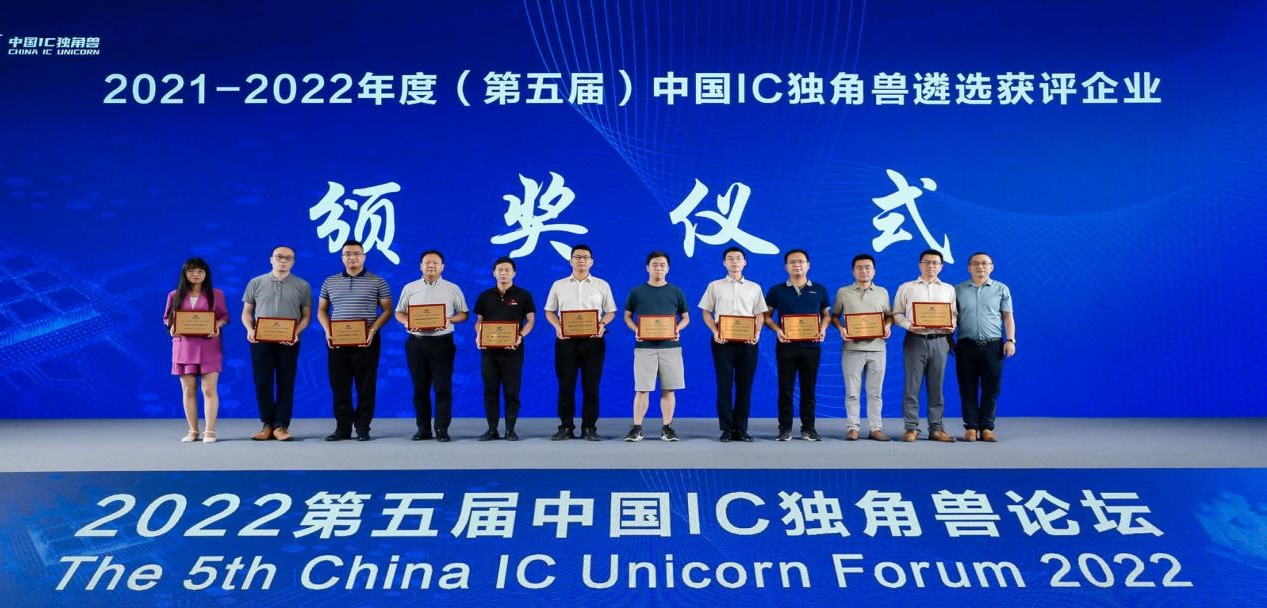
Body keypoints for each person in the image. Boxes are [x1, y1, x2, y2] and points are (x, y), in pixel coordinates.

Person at [317, 240, 393, 442]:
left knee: (366, 386)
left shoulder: (378, 281)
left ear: (364, 256)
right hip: (337, 341)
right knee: (339, 386)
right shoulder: (329, 282)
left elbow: (387, 310)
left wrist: (373, 330)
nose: (352, 257)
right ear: (342, 257)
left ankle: (362, 428)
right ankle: (342, 428)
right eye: (347, 254)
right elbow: (322, 309)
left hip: (367, 341)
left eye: (357, 253)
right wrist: (327, 330)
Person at [543, 244, 617, 441]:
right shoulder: (559, 285)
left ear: (592, 262)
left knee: (591, 386)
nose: (581, 260)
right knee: (565, 386)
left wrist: (602, 324)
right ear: (571, 261)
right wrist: (557, 326)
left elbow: (611, 311)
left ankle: (589, 428)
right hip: (566, 341)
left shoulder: (602, 285)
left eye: (585, 257)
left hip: (593, 342)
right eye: (577, 257)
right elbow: (549, 311)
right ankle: (566, 427)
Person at [394, 250, 468, 442]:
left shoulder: (452, 288)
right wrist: (407, 322)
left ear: (442, 266)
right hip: (416, 343)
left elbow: (464, 314)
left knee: (443, 388)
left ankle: (442, 429)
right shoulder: (410, 288)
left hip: (442, 343)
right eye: (427, 262)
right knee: (420, 389)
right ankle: (423, 429)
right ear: (421, 266)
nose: (431, 266)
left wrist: (449, 320)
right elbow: (399, 312)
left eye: (435, 263)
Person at [241, 246, 312, 442]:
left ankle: (281, 426)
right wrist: (250, 329)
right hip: (260, 340)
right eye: (279, 257)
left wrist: (295, 333)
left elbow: (306, 316)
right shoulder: (255, 282)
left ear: (293, 262)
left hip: (289, 341)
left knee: (286, 382)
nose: (283, 261)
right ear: (271, 259)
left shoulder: (302, 285)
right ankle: (267, 424)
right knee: (262, 382)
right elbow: (246, 313)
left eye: (288, 258)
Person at [698, 246, 767, 442]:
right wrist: (715, 331)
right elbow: (706, 312)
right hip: (722, 342)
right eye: (730, 258)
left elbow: (760, 314)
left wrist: (757, 333)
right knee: (724, 385)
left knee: (745, 386)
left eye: (738, 258)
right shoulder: (715, 286)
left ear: (745, 262)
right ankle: (727, 429)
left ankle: (741, 429)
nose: (734, 261)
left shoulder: (754, 287)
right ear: (724, 263)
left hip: (748, 342)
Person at [763, 249, 831, 441]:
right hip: (786, 346)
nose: (797, 265)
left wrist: (823, 329)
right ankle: (784, 429)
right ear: (786, 266)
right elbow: (766, 316)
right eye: (792, 262)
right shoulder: (776, 291)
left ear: (808, 265)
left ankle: (809, 428)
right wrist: (778, 330)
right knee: (785, 389)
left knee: (809, 389)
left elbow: (826, 315)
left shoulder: (819, 289)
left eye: (801, 261)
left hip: (811, 346)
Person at [622, 251, 690, 442]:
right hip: (644, 347)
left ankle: (667, 428)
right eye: (654, 264)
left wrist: (677, 329)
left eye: (662, 265)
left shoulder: (676, 292)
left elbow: (686, 318)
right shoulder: (637, 292)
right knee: (642, 389)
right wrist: (637, 329)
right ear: (647, 267)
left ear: (668, 268)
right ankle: (636, 429)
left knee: (669, 389)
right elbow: (627, 316)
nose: (658, 268)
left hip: (671, 347)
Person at [893, 249, 958, 443]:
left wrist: (952, 324)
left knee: (936, 386)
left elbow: (954, 314)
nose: (931, 266)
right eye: (927, 262)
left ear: (941, 266)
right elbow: (897, 314)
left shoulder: (949, 289)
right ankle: (911, 428)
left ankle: (936, 428)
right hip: (915, 339)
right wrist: (909, 325)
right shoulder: (907, 287)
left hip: (940, 341)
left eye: (935, 263)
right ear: (919, 264)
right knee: (911, 386)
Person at [163, 257, 230, 443]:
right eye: (191, 271)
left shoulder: (216, 294)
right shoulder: (174, 295)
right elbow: (167, 318)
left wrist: (217, 325)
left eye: (200, 271)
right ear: (184, 274)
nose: (196, 275)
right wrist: (171, 327)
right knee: (188, 390)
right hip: (184, 347)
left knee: (209, 389)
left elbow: (224, 316)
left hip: (209, 346)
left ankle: (210, 431)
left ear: (206, 274)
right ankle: (193, 431)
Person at [954, 252, 1016, 442]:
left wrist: (1010, 340)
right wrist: (948, 340)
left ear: (991, 267)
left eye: (984, 263)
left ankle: (987, 427)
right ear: (968, 268)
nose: (980, 267)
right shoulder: (958, 289)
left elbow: (1007, 316)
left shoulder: (1001, 289)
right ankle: (971, 427)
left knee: (991, 388)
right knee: (967, 388)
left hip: (993, 346)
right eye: (975, 263)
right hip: (966, 346)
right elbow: (951, 318)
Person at [831, 254, 893, 441]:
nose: (864, 271)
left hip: (878, 348)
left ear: (874, 271)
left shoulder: (882, 292)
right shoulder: (843, 292)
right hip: (852, 348)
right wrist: (841, 328)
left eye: (867, 267)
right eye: (859, 267)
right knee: (852, 392)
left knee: (875, 392)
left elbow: (889, 316)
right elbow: (835, 316)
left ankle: (876, 428)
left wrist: (888, 326)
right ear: (853, 271)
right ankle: (853, 427)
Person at [472, 257, 535, 441]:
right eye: (500, 270)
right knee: (490, 390)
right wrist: (479, 335)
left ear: (514, 273)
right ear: (494, 273)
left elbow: (531, 320)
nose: (503, 273)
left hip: (513, 351)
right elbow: (479, 322)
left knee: (512, 391)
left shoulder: (524, 295)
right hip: (489, 352)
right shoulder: (484, 296)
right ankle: (492, 429)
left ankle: (510, 429)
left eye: (507, 270)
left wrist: (520, 335)